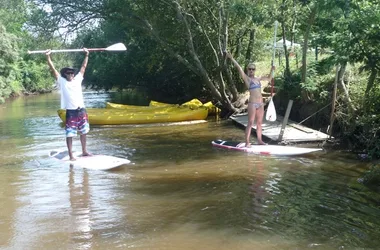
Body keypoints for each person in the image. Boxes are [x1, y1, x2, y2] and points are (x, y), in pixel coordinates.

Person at [46, 48, 91, 161]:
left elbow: (83, 67)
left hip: (81, 110)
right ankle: (71, 155)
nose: (70, 74)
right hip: (71, 111)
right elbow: (53, 69)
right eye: (68, 73)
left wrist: (86, 55)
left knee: (84, 131)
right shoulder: (62, 81)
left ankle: (84, 151)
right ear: (65, 74)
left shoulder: (78, 79)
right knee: (70, 134)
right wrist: (48, 57)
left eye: (72, 73)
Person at [226, 52, 274, 147]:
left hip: (260, 104)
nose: (251, 70)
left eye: (253, 69)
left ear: (255, 70)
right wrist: (232, 59)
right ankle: (247, 142)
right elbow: (239, 68)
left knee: (259, 123)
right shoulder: (247, 79)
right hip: (252, 104)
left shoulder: (258, 78)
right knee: (250, 122)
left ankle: (260, 140)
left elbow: (269, 79)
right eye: (250, 69)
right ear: (247, 70)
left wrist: (272, 70)